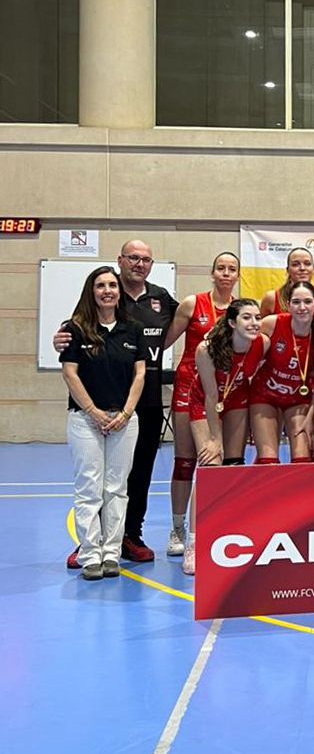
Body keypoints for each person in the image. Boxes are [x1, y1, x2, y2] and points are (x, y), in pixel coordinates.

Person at [55, 240, 179, 567]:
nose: (139, 264)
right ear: (120, 261)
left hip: (145, 401)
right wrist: (60, 339)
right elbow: (72, 348)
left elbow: (194, 323)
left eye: (146, 259)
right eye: (133, 258)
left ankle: (129, 536)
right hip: (99, 405)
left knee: (136, 476)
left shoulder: (162, 299)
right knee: (94, 479)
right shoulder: (98, 304)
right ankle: (89, 542)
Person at [60, 267, 146, 580]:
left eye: (112, 285)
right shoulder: (76, 328)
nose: (107, 290)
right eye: (100, 285)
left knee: (116, 489)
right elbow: (70, 373)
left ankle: (111, 554)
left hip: (124, 420)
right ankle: (89, 554)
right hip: (85, 420)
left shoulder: (132, 329)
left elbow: (140, 374)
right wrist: (93, 411)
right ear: (91, 291)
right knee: (89, 489)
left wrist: (124, 414)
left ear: (119, 291)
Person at [182, 299, 268, 574]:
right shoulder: (207, 349)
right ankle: (193, 542)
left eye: (256, 317)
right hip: (206, 403)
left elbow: (255, 381)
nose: (254, 322)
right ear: (232, 322)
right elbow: (210, 397)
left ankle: (226, 534)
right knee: (210, 465)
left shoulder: (261, 344)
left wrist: (254, 424)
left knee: (232, 466)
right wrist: (213, 439)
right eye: (246, 318)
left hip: (237, 402)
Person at [163, 252, 239, 557]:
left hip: (225, 395)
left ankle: (209, 526)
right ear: (212, 273)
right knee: (185, 460)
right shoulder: (193, 304)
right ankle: (177, 527)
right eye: (220, 268)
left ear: (237, 276)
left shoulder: (240, 311)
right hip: (188, 389)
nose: (225, 273)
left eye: (231, 269)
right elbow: (163, 342)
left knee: (218, 462)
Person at [250, 282, 314, 463]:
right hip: (265, 396)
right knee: (268, 460)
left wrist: (311, 415)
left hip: (298, 398)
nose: (302, 307)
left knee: (302, 460)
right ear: (288, 304)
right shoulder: (272, 323)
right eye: (296, 302)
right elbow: (243, 344)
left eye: (308, 302)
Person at [260, 246, 314, 320]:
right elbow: (260, 328)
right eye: (295, 264)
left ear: (313, 269)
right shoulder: (272, 298)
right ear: (288, 270)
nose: (302, 268)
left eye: (307, 264)